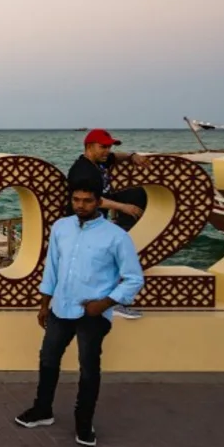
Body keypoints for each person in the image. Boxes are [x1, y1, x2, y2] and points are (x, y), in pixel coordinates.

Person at [16, 179, 144, 447]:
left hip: (92, 314)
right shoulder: (62, 227)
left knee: (88, 369)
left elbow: (133, 278)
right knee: (48, 360)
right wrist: (44, 303)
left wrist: (105, 303)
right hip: (60, 308)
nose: (81, 205)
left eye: (87, 201)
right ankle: (43, 410)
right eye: (76, 200)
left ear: (98, 202)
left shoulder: (116, 236)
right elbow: (52, 267)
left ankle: (84, 423)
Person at [69, 129, 147, 319]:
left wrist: (131, 156)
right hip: (84, 224)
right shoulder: (83, 172)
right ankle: (108, 304)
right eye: (103, 147)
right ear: (89, 147)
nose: (107, 151)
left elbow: (114, 158)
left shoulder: (97, 163)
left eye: (109, 146)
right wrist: (123, 207)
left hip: (97, 222)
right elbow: (90, 200)